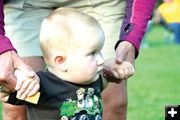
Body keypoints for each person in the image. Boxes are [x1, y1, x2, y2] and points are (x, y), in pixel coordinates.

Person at [1, 0, 156, 120]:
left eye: (100, 53)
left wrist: (115, 67)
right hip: (27, 4)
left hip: (99, 4)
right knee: (15, 110)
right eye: (92, 54)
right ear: (61, 61)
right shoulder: (41, 86)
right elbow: (6, 93)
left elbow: (109, 74)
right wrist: (17, 84)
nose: (101, 60)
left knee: (114, 100)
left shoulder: (94, 80)